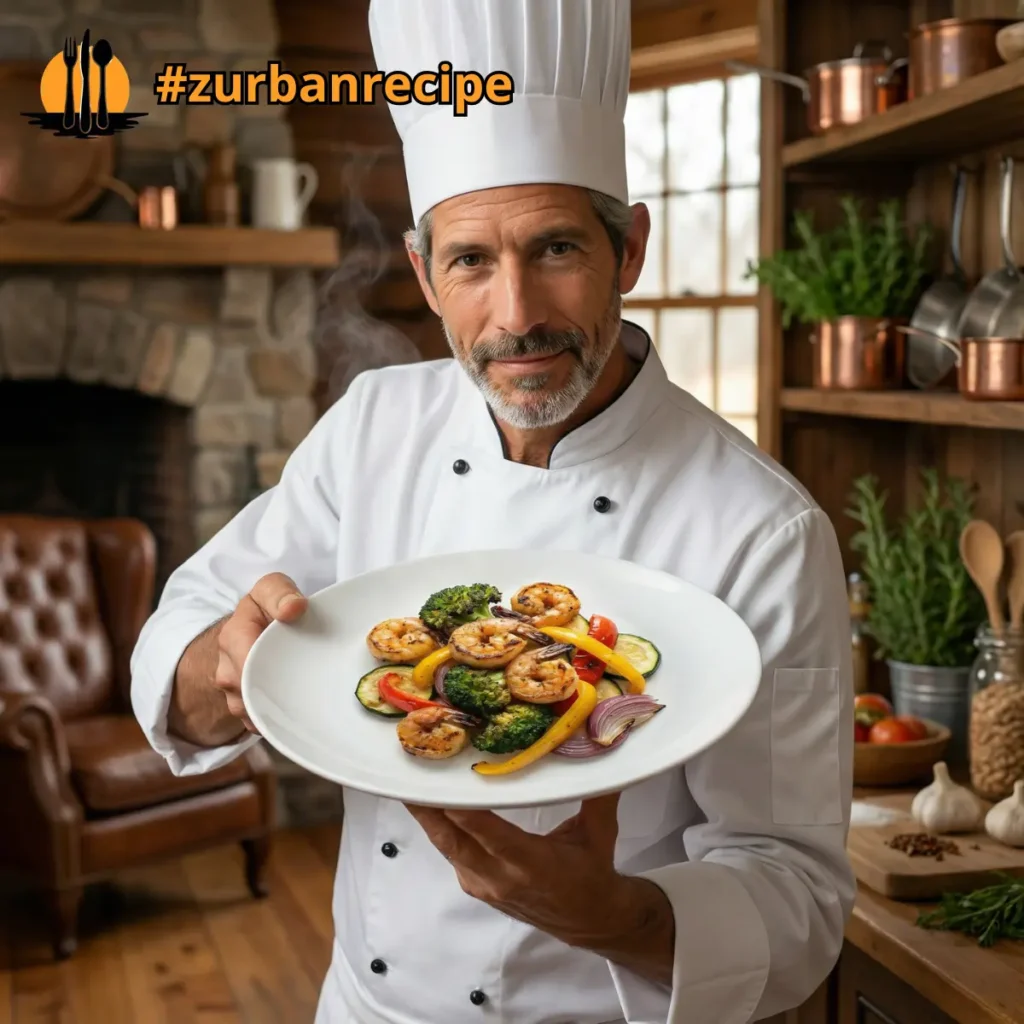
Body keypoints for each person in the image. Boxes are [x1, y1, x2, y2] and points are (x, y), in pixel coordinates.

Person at [130, 0, 856, 1020]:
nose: (516, 315)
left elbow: (799, 892)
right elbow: (193, 622)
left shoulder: (760, 527)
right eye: (471, 260)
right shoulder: (373, 422)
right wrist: (223, 666)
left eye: (556, 248)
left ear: (630, 252)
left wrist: (616, 914)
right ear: (425, 275)